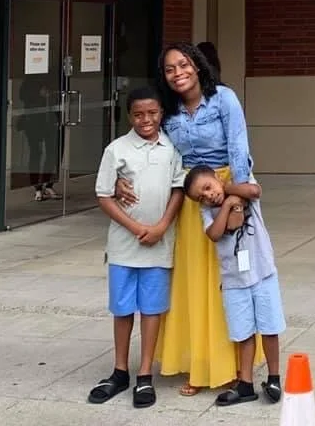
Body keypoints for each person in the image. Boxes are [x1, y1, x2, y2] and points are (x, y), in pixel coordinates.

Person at [114, 42, 263, 396]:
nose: (178, 73)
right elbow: (149, 145)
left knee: (231, 283)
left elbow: (239, 148)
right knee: (195, 287)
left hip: (227, 191)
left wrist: (236, 200)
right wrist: (121, 175)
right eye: (169, 69)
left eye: (183, 65)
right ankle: (200, 365)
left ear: (197, 67)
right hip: (190, 201)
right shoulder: (168, 112)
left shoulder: (224, 99)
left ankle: (235, 369)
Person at [88, 86, 184, 408]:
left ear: (162, 114)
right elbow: (103, 194)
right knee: (123, 308)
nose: (146, 120)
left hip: (159, 244)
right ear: (129, 116)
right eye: (139, 114)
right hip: (123, 246)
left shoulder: (171, 148)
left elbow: (178, 191)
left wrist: (160, 227)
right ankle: (119, 370)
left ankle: (144, 374)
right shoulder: (116, 149)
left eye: (153, 113)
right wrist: (135, 227)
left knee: (152, 309)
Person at [184, 164, 286, 407]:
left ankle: (274, 378)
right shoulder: (207, 212)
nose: (208, 195)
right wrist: (229, 204)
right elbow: (217, 232)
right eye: (201, 196)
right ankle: (246, 384)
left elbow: (255, 191)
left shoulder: (241, 188)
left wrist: (229, 191)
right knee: (244, 333)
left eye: (208, 187)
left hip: (263, 273)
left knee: (269, 327)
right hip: (234, 281)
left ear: (218, 179)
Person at [18, 76, 59, 201]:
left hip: (49, 122)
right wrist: (39, 94)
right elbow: (23, 97)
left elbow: (57, 98)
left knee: (52, 153)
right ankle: (37, 187)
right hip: (34, 122)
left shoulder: (51, 80)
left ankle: (48, 184)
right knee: (36, 153)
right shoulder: (29, 81)